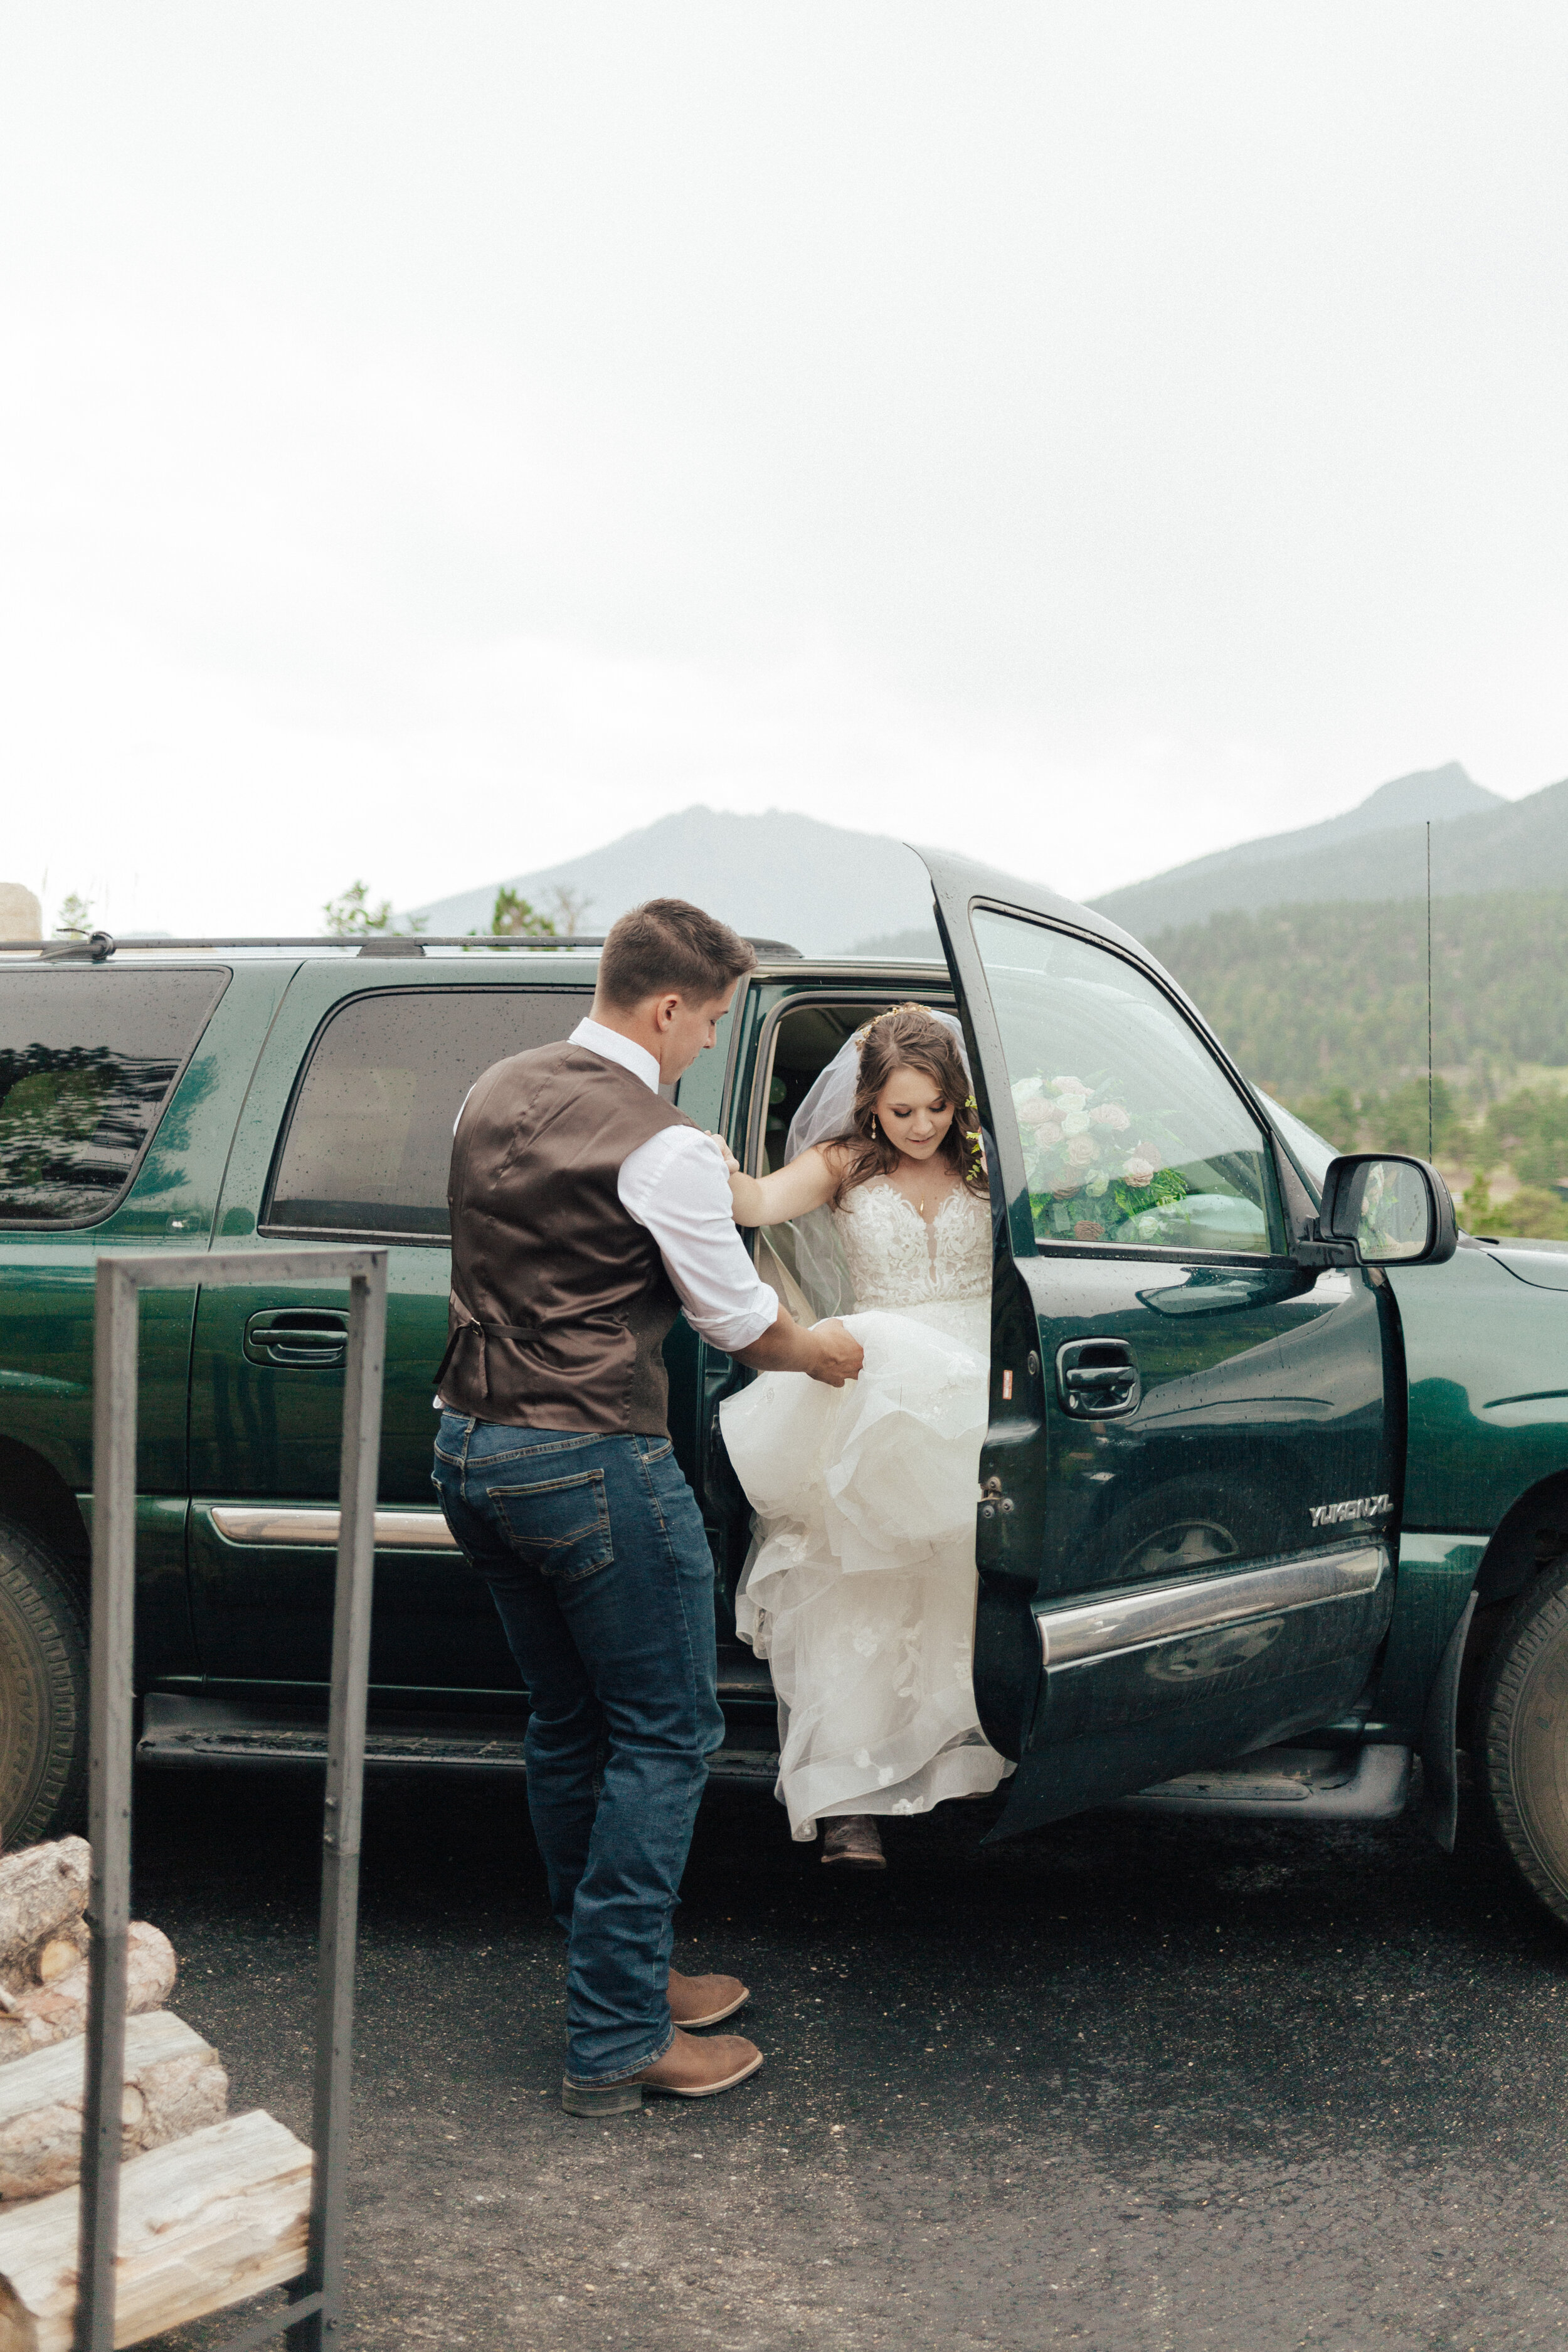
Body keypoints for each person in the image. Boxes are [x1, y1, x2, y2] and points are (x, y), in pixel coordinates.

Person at [431, 899, 864, 2114]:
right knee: (667, 1734)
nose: (708, 1046)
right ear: (668, 1008)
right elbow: (738, 1321)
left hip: (468, 1449)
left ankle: (617, 1974)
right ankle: (616, 2037)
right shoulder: (663, 1146)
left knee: (569, 1725)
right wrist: (822, 1351)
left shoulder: (490, 1089)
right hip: (588, 1465)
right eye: (712, 1023)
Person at [718, 1003, 1013, 1870]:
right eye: (902, 1110)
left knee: (961, 1577)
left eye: (938, 1107)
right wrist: (714, 1166)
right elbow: (761, 1201)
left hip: (974, 1384)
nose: (923, 1127)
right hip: (880, 1382)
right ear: (871, 1107)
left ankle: (965, 1760)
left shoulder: (990, 1164)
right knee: (859, 1582)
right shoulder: (844, 1163)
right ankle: (848, 1801)